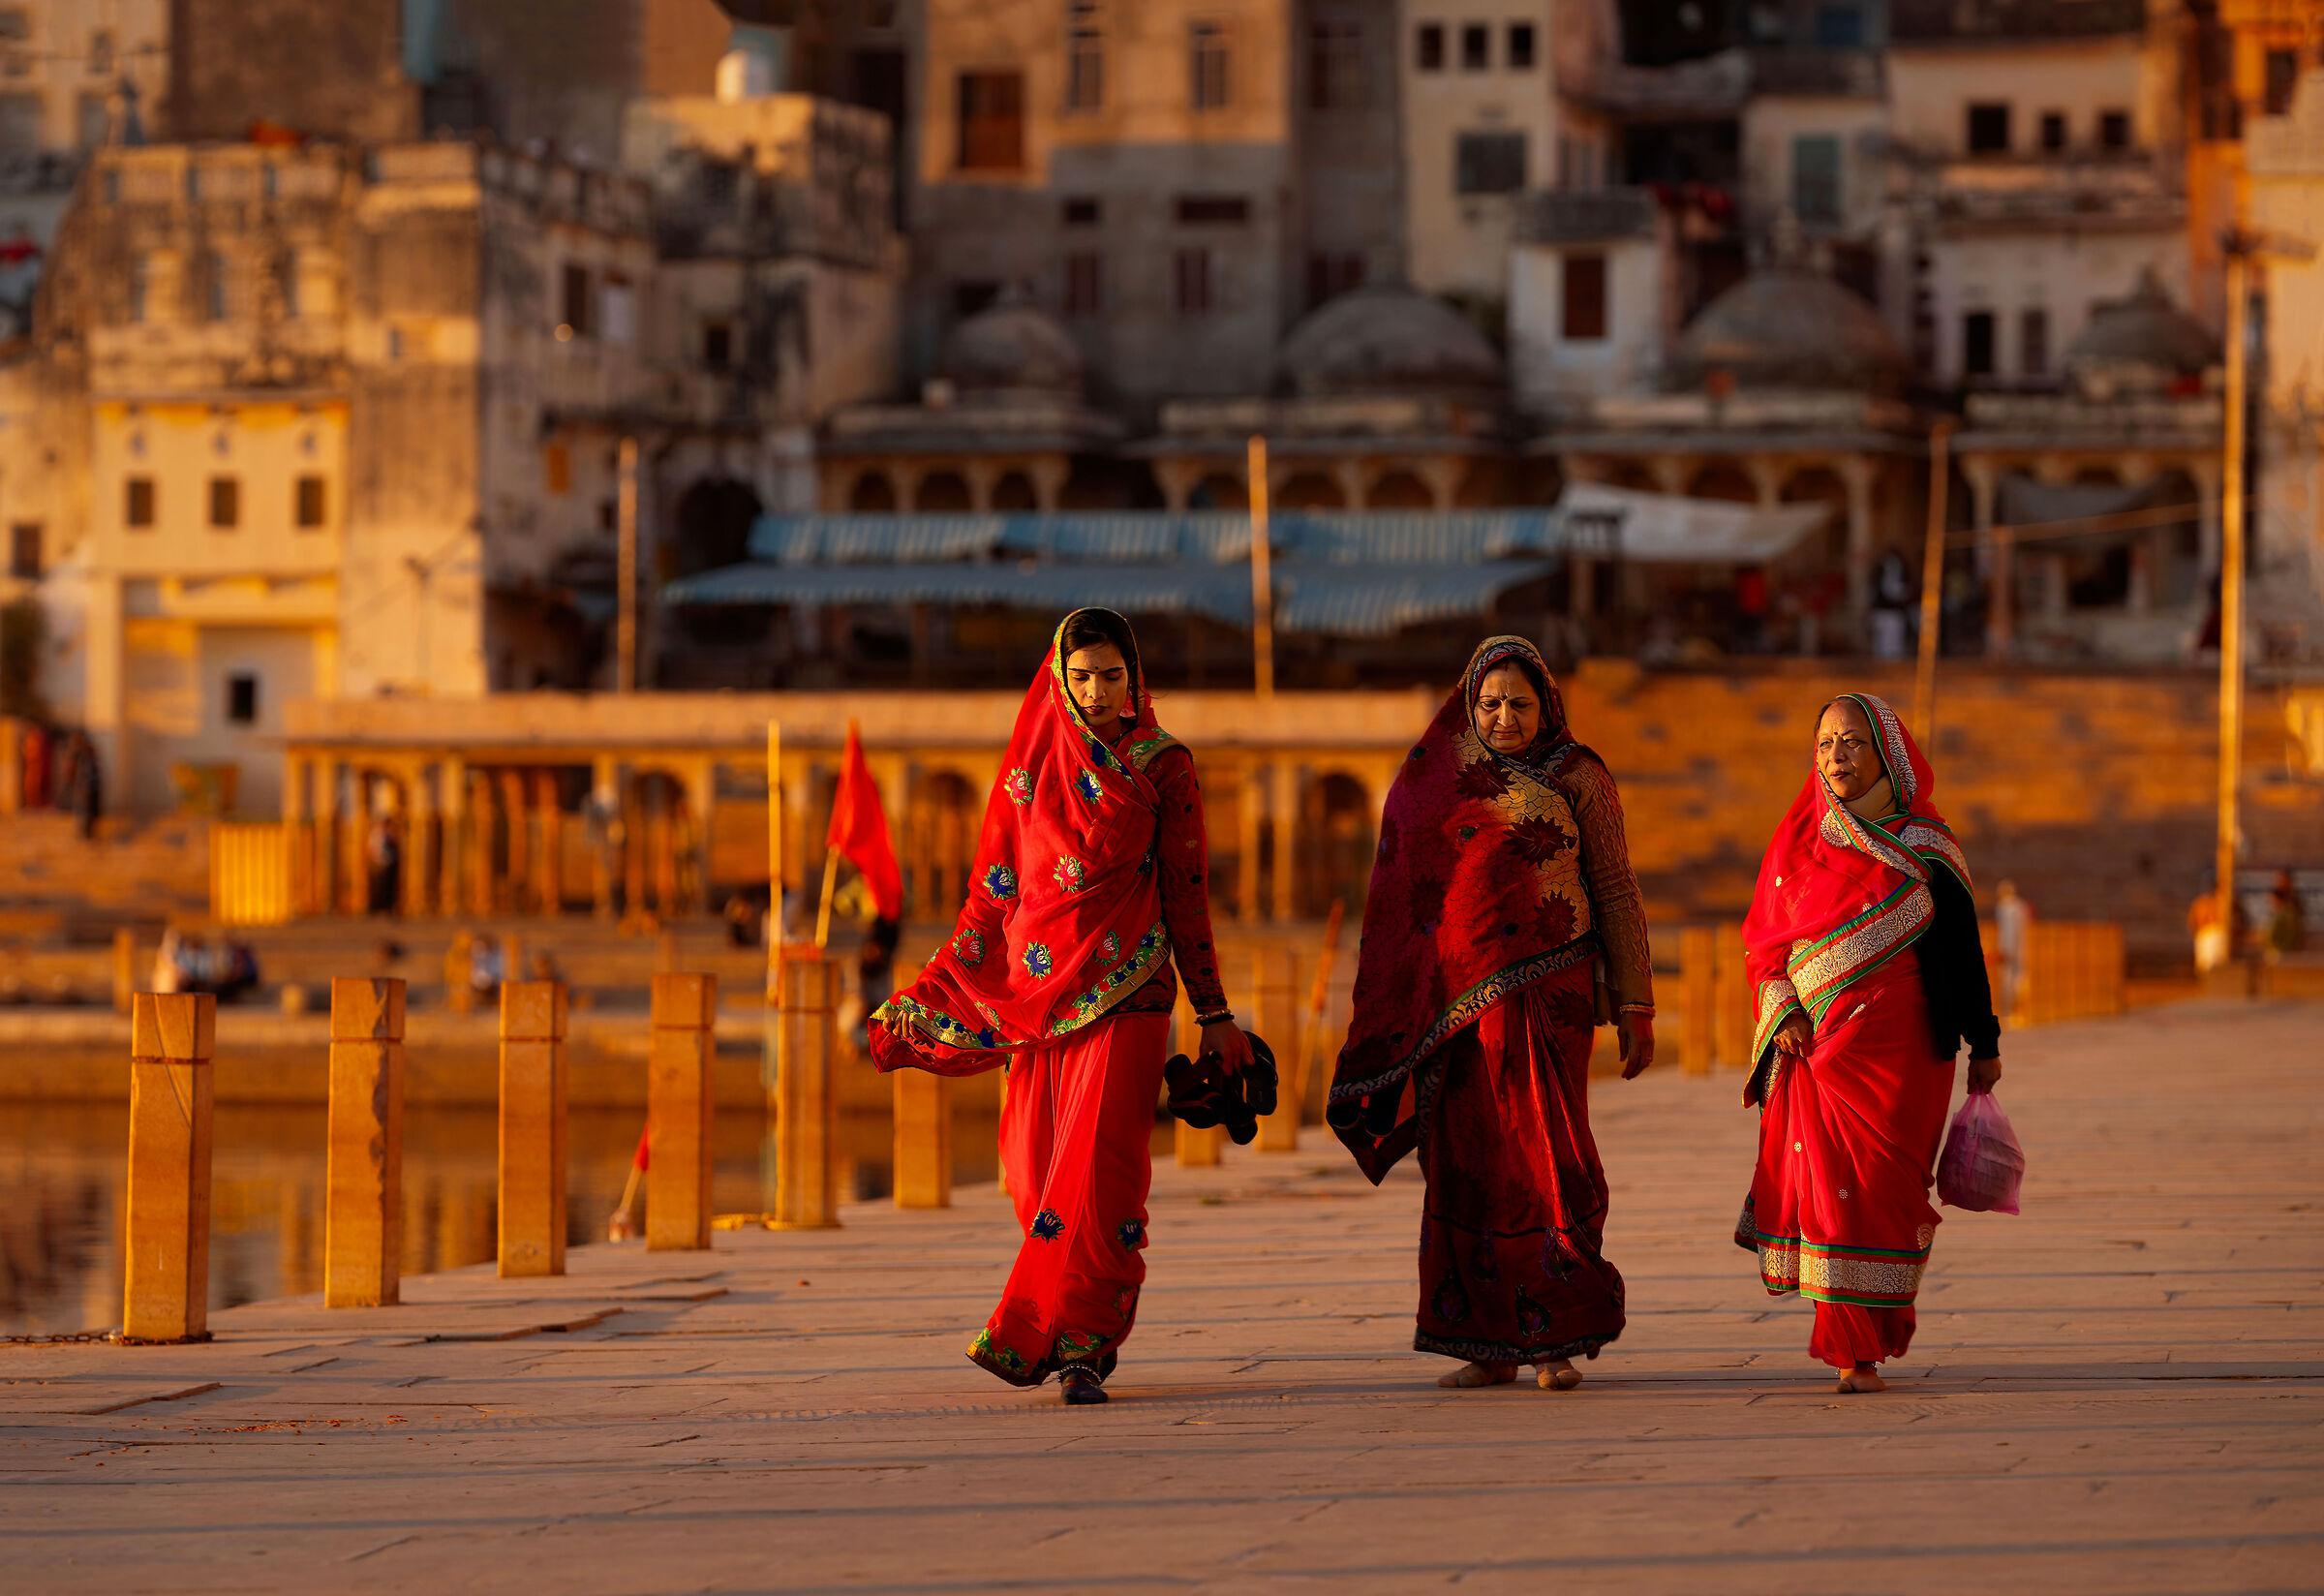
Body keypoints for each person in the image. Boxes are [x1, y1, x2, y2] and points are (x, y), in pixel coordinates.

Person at [869, 608, 1247, 1406]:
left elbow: (1187, 891)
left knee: (1099, 1176)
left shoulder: (1163, 765)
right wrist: (931, 993)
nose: (1098, 691)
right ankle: (1063, 1325)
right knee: (1032, 1170)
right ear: (1058, 681)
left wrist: (1215, 1013)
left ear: (1134, 679)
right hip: (1038, 1000)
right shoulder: (1030, 771)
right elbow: (991, 897)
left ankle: (1083, 1342)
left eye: (1113, 675)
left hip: (1130, 990)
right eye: (1081, 677)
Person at [1328, 636, 1655, 1392]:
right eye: (1490, 703)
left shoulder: (1579, 776)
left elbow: (1614, 886)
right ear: (1468, 705)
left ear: (1547, 706)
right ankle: (1484, 1341)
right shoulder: (1433, 781)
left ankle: (1553, 1337)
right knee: (1467, 1162)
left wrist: (1635, 1001)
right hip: (1453, 1011)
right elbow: (1402, 896)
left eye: (1520, 703)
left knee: (1546, 1150)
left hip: (1551, 995)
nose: (1504, 717)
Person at [1737, 692, 2001, 1395]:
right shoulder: (1798, 843)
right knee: (1832, 1192)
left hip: (1908, 1049)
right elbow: (1765, 949)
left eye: (1852, 742)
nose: (1837, 757)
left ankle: (1878, 1328)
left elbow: (1963, 953)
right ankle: (1849, 1344)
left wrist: (1987, 1042)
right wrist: (1783, 1010)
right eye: (1824, 745)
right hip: (1818, 1052)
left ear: (1887, 753)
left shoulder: (1927, 846)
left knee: (1885, 1189)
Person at [1994, 878, 2032, 1025]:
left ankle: (2013, 1013)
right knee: (2019, 980)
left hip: (2010, 948)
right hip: (2020, 947)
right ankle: (2018, 1013)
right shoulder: (2021, 906)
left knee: (2010, 981)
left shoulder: (2005, 907)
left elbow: (2009, 931)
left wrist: (2008, 949)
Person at [2266, 869, 2306, 961]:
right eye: (2278, 880)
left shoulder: (2293, 904)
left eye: (2283, 880)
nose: (2280, 883)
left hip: (2288, 948)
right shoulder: (2277, 902)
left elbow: (2295, 927)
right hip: (2281, 947)